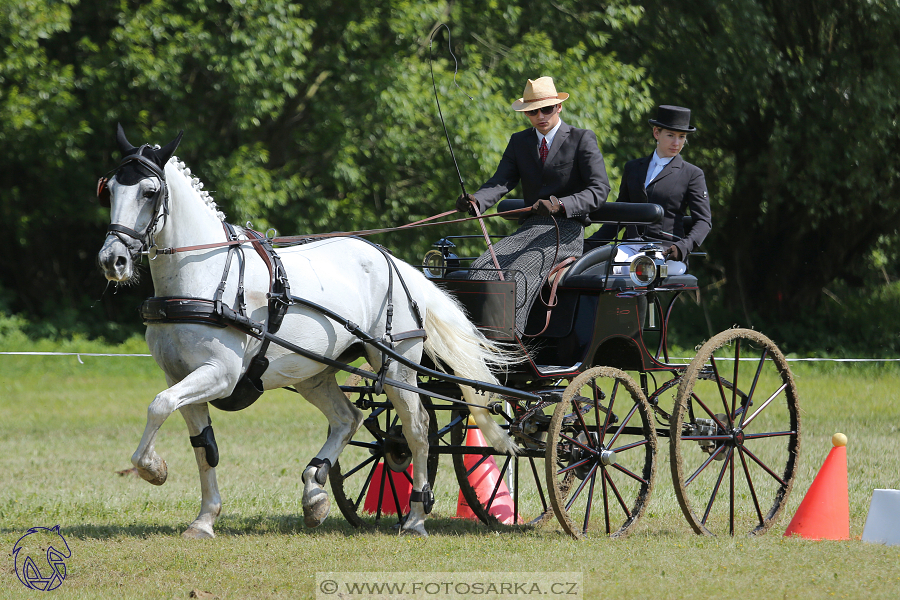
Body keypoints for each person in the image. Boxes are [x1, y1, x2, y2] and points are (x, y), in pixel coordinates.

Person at [456, 76, 610, 335]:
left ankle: (509, 345)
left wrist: (560, 204)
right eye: (532, 111)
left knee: (515, 275)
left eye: (546, 109)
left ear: (558, 107)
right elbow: (501, 181)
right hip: (530, 228)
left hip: (566, 230)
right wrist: (477, 200)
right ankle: (476, 339)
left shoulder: (582, 139)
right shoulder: (520, 142)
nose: (540, 116)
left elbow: (599, 190)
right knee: (479, 269)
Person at [584, 105, 711, 264]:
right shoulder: (633, 168)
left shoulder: (692, 174)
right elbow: (621, 214)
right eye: (671, 135)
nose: (677, 143)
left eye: (682, 136)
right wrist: (590, 244)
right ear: (656, 133)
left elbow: (703, 221)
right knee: (599, 269)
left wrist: (682, 248)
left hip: (666, 251)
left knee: (637, 273)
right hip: (629, 246)